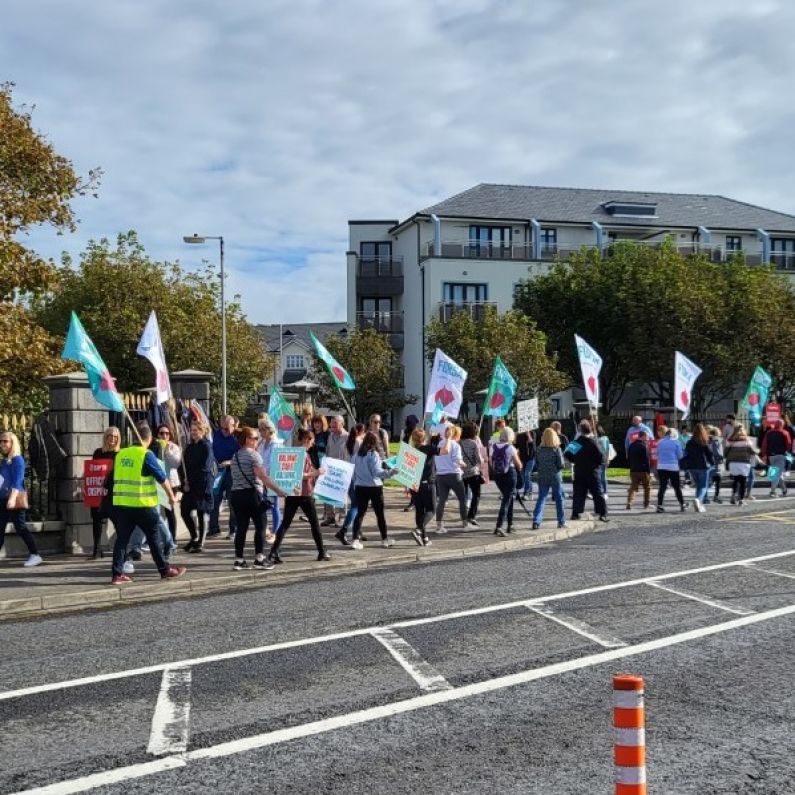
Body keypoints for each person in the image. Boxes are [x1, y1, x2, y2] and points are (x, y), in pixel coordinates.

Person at [109, 424, 185, 584]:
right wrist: (171, 496)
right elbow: (162, 477)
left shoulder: (121, 454)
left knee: (122, 540)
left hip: (123, 505)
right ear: (149, 439)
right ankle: (165, 570)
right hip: (143, 505)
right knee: (154, 537)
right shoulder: (146, 454)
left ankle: (117, 575)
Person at [266, 428, 330, 564]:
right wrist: (316, 473)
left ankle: (274, 551)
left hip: (293, 493)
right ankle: (321, 551)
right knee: (314, 523)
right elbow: (301, 475)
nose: (313, 444)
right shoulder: (302, 454)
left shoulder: (295, 452)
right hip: (304, 493)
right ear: (307, 440)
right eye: (312, 441)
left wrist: (314, 471)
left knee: (285, 523)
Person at [230, 426, 288, 570]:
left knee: (241, 528)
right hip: (252, 494)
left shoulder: (235, 455)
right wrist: (279, 491)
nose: (258, 441)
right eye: (255, 438)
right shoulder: (254, 455)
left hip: (236, 495)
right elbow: (263, 477)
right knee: (261, 526)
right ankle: (259, 559)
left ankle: (239, 560)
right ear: (247, 440)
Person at [0, 431, 42, 567]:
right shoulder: (5, 461)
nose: (2, 444)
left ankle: (35, 554)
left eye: (5, 441)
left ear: (13, 443)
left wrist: (12, 499)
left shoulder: (17, 459)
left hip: (14, 499)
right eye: (1, 441)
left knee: (21, 527)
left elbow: (18, 481)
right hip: (3, 498)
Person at [350, 430, 397, 549]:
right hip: (374, 487)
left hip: (360, 486)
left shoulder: (356, 455)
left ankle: (355, 539)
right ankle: (384, 539)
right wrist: (391, 473)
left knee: (360, 513)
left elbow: (353, 472)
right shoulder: (373, 454)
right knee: (379, 514)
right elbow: (377, 472)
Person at [180, 420, 215, 553]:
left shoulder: (206, 446)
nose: (193, 432)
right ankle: (194, 536)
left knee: (201, 512)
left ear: (203, 431)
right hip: (189, 484)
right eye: (192, 430)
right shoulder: (189, 447)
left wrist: (192, 476)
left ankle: (200, 541)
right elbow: (183, 465)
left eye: (196, 430)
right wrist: (184, 480)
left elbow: (205, 466)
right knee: (184, 511)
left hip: (202, 483)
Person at [567, 420, 608, 523]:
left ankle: (575, 513)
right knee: (597, 493)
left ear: (580, 431)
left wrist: (575, 460)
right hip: (592, 471)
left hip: (579, 470)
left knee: (578, 493)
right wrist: (597, 464)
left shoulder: (576, 443)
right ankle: (602, 513)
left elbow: (567, 454)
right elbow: (601, 457)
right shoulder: (593, 442)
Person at [89, 426, 121, 559]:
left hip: (113, 492)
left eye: (115, 437)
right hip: (99, 490)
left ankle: (121, 548)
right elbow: (92, 470)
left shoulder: (120, 453)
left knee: (117, 521)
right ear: (105, 437)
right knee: (96, 519)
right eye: (110, 436)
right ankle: (96, 549)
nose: (112, 439)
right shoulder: (98, 452)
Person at [209, 415, 240, 538]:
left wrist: (230, 462)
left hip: (232, 473)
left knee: (233, 502)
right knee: (215, 501)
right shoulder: (215, 435)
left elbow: (243, 454)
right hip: (217, 472)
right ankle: (214, 528)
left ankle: (233, 530)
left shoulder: (238, 437)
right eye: (222, 428)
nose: (224, 431)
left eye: (227, 429)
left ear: (234, 426)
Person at [434, 424, 469, 533]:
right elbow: (457, 460)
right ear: (456, 435)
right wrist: (464, 465)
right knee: (462, 499)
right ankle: (465, 524)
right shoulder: (456, 446)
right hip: (454, 475)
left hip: (441, 476)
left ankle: (439, 525)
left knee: (442, 501)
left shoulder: (440, 444)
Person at [531, 427, 566, 530]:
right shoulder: (556, 449)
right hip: (555, 476)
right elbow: (561, 464)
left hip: (542, 476)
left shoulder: (539, 449)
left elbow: (536, 463)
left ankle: (536, 521)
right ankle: (561, 521)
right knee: (559, 499)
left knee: (541, 498)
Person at [492, 426, 523, 536]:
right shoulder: (511, 448)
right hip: (510, 474)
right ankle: (499, 526)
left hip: (498, 475)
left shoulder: (493, 447)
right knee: (506, 500)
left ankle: (510, 524)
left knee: (508, 498)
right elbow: (518, 465)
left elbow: (492, 462)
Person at [409, 427, 438, 546]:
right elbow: (445, 451)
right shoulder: (428, 449)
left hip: (414, 484)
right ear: (424, 438)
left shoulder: (411, 451)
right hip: (427, 484)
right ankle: (419, 530)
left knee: (419, 511)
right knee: (431, 510)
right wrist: (448, 438)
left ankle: (425, 538)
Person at [257, 417, 283, 543]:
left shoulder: (276, 443)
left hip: (273, 478)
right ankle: (266, 529)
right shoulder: (262, 443)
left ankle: (275, 532)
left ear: (269, 430)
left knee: (274, 505)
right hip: (262, 477)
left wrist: (268, 475)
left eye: (262, 429)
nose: (260, 432)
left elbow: (275, 462)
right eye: (259, 429)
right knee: (263, 503)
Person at [320, 415, 348, 528]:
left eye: (335, 423)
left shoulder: (348, 436)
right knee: (328, 492)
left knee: (341, 494)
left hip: (342, 469)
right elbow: (328, 450)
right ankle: (330, 517)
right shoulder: (331, 435)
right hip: (330, 468)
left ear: (342, 424)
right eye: (331, 423)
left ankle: (341, 517)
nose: (332, 426)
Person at [724, 425, 759, 506]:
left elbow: (725, 453)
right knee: (742, 482)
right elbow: (753, 451)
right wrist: (758, 450)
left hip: (733, 463)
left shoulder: (730, 441)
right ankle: (741, 500)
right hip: (744, 463)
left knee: (736, 480)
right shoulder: (747, 441)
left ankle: (733, 496)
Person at [656, 428, 687, 512]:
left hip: (661, 466)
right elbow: (680, 456)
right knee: (676, 487)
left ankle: (659, 505)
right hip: (673, 466)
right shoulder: (676, 442)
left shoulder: (660, 442)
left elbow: (657, 453)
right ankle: (682, 504)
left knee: (662, 486)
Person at [685, 423, 714, 513]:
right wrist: (712, 463)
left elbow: (686, 454)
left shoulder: (689, 442)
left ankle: (699, 503)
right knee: (703, 486)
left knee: (698, 485)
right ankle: (698, 500)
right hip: (703, 466)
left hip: (692, 466)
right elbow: (709, 454)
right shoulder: (704, 441)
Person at [460, 422, 483, 526]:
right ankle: (471, 516)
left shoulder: (458, 443)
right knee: (476, 494)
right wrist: (483, 460)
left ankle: (464, 517)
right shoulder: (474, 443)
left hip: (462, 473)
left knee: (463, 497)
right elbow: (478, 459)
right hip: (473, 472)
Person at [760, 418, 791, 497]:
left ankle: (784, 490)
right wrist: (787, 452)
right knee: (777, 474)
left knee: (774, 473)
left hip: (771, 456)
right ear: (782, 425)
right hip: (781, 455)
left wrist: (764, 454)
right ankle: (772, 491)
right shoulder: (785, 433)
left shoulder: (769, 433)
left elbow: (764, 444)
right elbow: (788, 445)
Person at [626, 430, 651, 510]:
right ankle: (646, 504)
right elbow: (646, 459)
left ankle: (629, 502)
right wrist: (648, 471)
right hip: (643, 470)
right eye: (646, 436)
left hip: (633, 469)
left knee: (633, 486)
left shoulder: (631, 445)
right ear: (643, 436)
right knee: (647, 487)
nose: (647, 438)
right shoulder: (644, 446)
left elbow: (628, 458)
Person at [514, 430, 537, 499]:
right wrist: (515, 437)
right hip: (523, 458)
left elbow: (532, 445)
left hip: (531, 457)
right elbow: (516, 446)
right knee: (524, 475)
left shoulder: (532, 433)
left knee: (527, 474)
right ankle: (527, 493)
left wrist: (528, 435)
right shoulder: (519, 435)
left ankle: (528, 493)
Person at [706, 426, 724, 504]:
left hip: (709, 462)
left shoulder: (708, 440)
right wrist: (722, 457)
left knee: (711, 480)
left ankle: (707, 497)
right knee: (718, 480)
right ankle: (716, 496)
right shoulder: (716, 440)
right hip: (717, 463)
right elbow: (717, 452)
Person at [595, 424, 612, 498]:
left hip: (601, 459)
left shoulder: (601, 439)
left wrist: (607, 459)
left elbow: (606, 449)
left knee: (601, 476)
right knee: (601, 476)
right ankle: (603, 491)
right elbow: (608, 450)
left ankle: (604, 491)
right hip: (601, 459)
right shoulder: (605, 438)